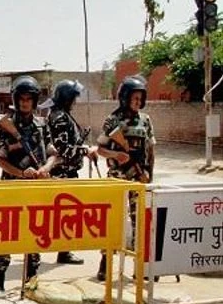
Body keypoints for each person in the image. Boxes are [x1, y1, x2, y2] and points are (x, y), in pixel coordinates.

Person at [0, 76, 58, 292]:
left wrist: (45, 169)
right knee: (6, 234)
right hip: (11, 188)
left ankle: (31, 278)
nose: (25, 103)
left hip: (35, 189)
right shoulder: (7, 125)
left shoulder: (41, 125)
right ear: (16, 100)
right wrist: (21, 173)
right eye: (22, 99)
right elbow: (1, 159)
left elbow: (52, 153)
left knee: (35, 232)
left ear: (35, 101)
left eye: (29, 99)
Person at [95, 75, 155, 281]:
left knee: (140, 222)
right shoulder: (113, 120)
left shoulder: (146, 120)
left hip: (139, 178)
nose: (138, 102)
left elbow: (150, 149)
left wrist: (148, 174)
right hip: (117, 177)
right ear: (125, 98)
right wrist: (117, 155)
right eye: (134, 98)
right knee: (114, 220)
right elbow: (100, 149)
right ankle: (105, 262)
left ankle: (141, 266)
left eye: (141, 98)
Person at [46, 79, 97, 266]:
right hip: (62, 174)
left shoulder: (63, 115)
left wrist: (81, 141)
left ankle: (64, 250)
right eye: (74, 97)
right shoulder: (59, 117)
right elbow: (64, 149)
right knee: (65, 215)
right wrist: (86, 151)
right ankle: (62, 251)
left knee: (67, 215)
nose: (76, 101)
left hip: (67, 174)